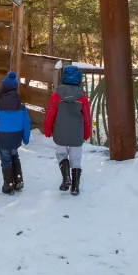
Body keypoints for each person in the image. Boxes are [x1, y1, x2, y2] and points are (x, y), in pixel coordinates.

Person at [43, 65, 91, 196]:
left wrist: (48, 129)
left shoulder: (56, 95)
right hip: (76, 133)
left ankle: (66, 178)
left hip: (61, 132)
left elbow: (50, 114)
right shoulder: (82, 97)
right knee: (76, 158)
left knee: (61, 155)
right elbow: (87, 117)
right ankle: (75, 187)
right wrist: (86, 133)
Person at [0, 71, 31, 195]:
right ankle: (18, 179)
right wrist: (26, 138)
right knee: (15, 156)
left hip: (2, 138)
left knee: (5, 159)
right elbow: (26, 123)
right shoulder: (21, 106)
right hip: (16, 138)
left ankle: (8, 184)